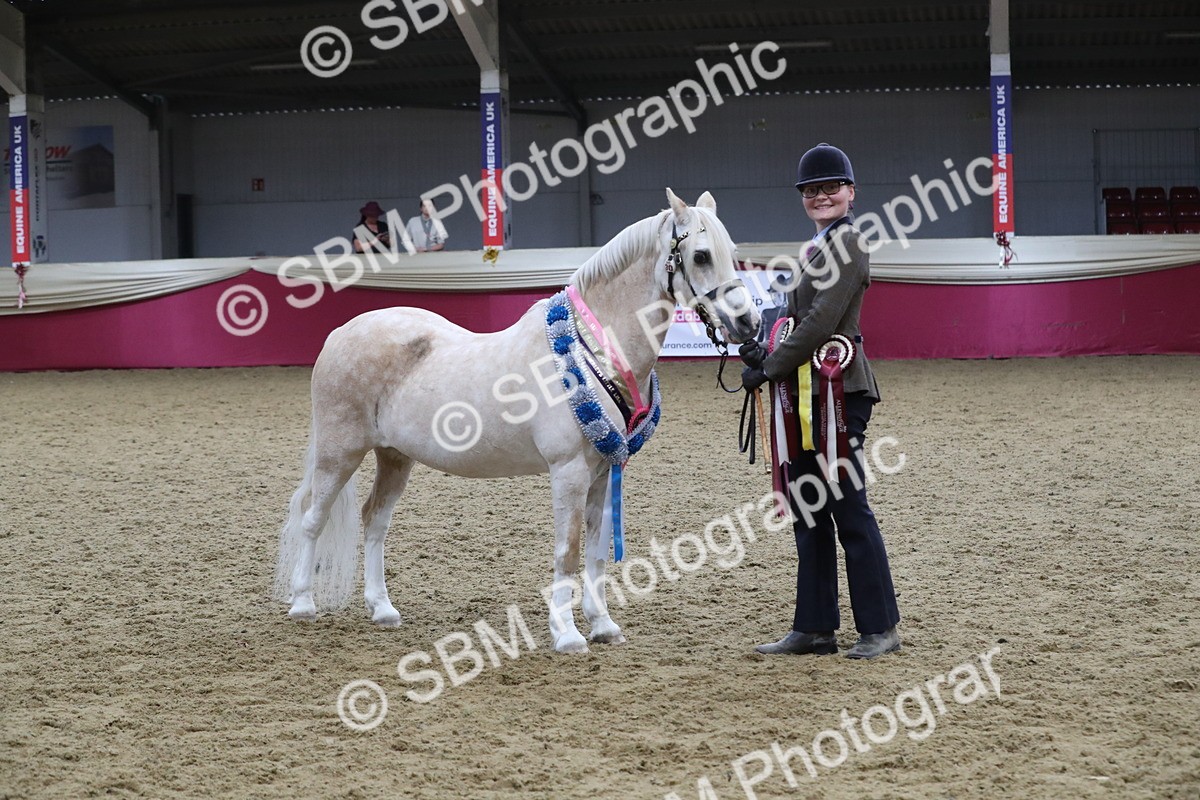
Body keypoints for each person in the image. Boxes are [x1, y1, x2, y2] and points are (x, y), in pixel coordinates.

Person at [739, 143, 902, 660]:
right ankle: (814, 627)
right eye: (812, 190)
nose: (821, 196)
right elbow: (794, 322)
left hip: (839, 392)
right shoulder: (814, 247)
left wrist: (769, 366)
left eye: (831, 187)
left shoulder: (849, 242)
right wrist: (762, 347)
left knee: (850, 509)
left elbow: (823, 322)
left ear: (851, 193)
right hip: (803, 396)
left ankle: (880, 627)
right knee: (809, 512)